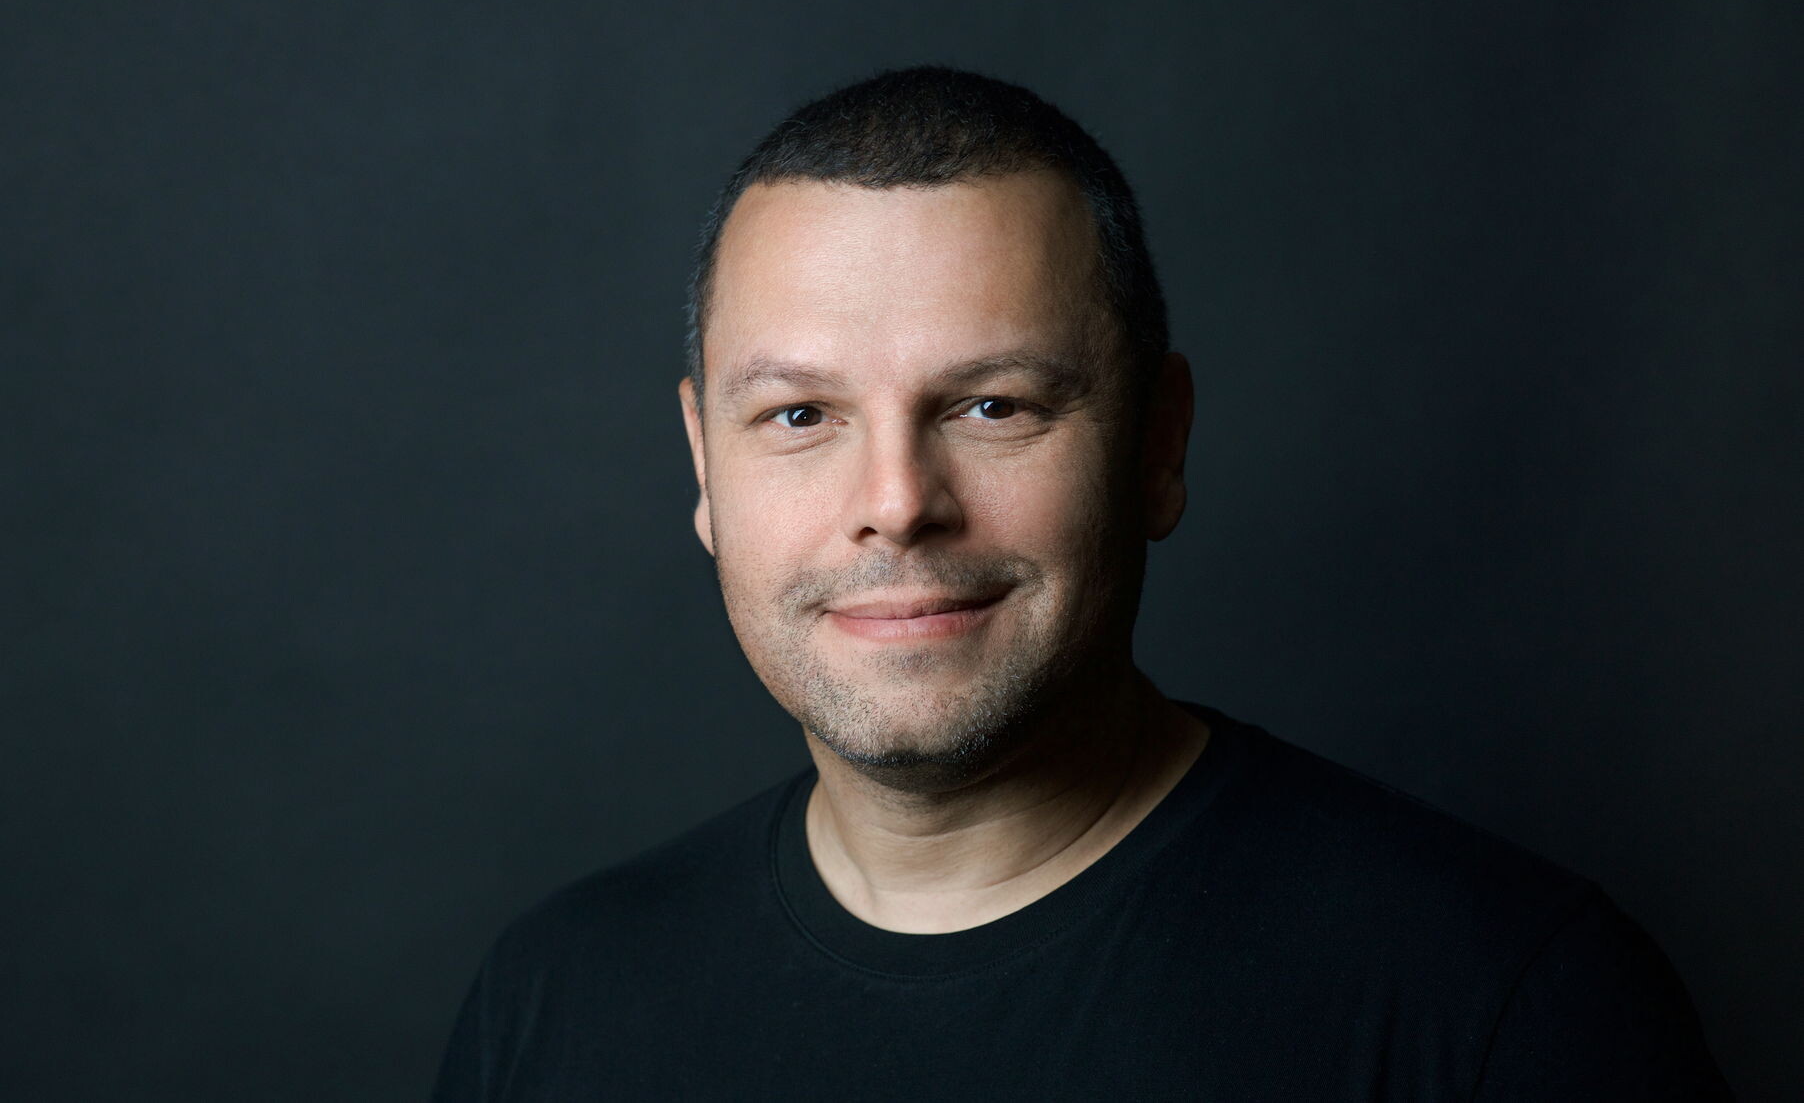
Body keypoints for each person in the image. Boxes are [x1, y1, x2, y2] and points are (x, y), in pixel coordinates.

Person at [431, 66, 1731, 1100]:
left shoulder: (1506, 1006)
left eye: (993, 405)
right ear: (703, 465)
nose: (898, 501)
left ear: (1158, 446)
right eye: (800, 416)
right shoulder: (555, 1001)